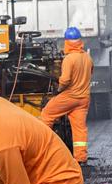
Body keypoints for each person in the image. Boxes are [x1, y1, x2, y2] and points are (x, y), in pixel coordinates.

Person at [39, 27, 93, 164]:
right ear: (80, 41)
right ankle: (81, 158)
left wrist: (59, 90)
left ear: (67, 42)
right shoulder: (87, 57)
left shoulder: (69, 59)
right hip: (84, 98)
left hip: (70, 97)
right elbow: (90, 72)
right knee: (79, 128)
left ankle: (42, 150)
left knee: (46, 115)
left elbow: (65, 80)